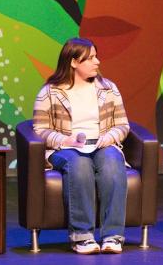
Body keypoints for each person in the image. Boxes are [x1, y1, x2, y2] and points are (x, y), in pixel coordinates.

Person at [32, 38, 130, 254]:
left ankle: (113, 236)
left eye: (96, 56)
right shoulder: (50, 91)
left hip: (102, 145)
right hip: (65, 149)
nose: (97, 62)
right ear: (74, 62)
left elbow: (122, 125)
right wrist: (64, 141)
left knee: (113, 162)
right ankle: (82, 237)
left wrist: (110, 137)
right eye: (91, 58)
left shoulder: (108, 89)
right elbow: (39, 129)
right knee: (79, 164)